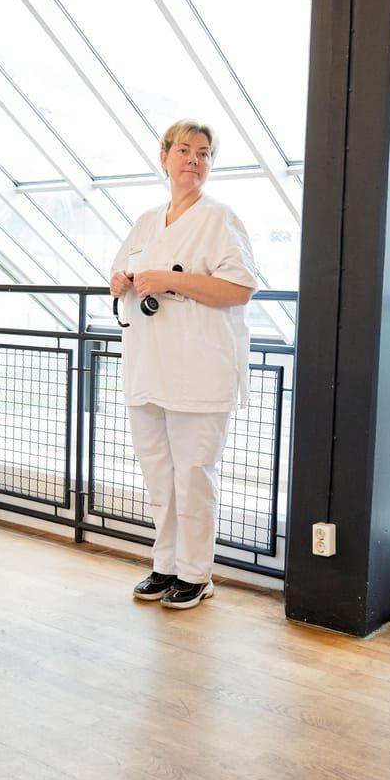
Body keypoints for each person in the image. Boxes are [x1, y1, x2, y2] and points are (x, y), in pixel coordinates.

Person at [110, 120, 259, 610]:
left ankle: (196, 572)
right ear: (164, 157)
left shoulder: (221, 219)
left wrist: (174, 283)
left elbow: (240, 288)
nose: (193, 160)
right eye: (185, 150)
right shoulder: (149, 220)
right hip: (149, 365)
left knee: (194, 474)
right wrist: (122, 280)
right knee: (158, 473)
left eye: (204, 153)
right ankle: (165, 564)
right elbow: (122, 267)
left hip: (198, 368)